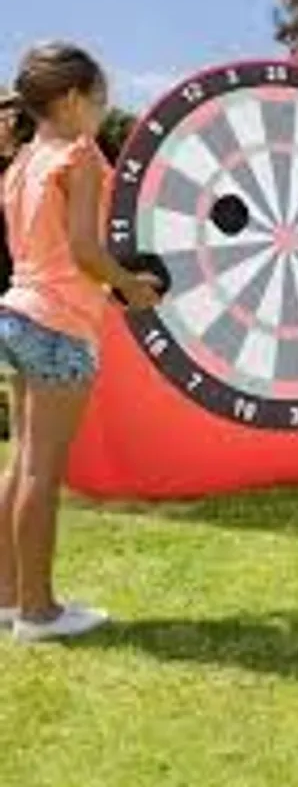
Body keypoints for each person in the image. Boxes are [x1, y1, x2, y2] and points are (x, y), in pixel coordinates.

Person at [0, 42, 163, 643]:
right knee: (42, 472)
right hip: (58, 325)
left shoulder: (21, 164)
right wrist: (130, 287)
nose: (100, 113)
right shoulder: (80, 155)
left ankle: (9, 599)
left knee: (20, 465)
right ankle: (40, 614)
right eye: (99, 101)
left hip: (15, 316)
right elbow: (86, 253)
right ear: (71, 100)